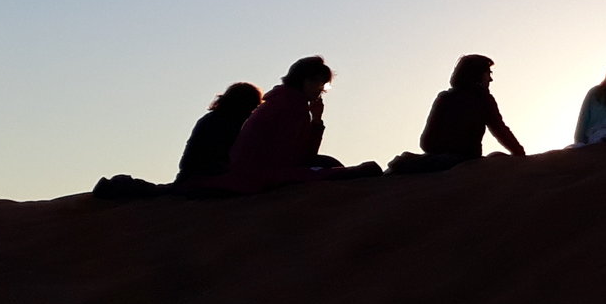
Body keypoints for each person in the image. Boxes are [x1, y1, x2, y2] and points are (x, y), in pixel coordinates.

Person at [199, 57, 381, 192]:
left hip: (255, 172)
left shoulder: (285, 101)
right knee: (357, 171)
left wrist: (316, 120)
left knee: (328, 164)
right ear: (305, 80)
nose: (321, 90)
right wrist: (315, 121)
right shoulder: (290, 106)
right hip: (259, 176)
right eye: (320, 84)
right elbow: (298, 156)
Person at [391, 55, 527, 173]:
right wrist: (520, 154)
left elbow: (426, 143)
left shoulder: (444, 98)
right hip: (463, 162)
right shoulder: (483, 99)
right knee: (497, 159)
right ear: (477, 75)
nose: (490, 79)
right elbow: (500, 129)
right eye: (488, 73)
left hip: (438, 161)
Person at [174, 82, 262, 184]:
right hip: (202, 178)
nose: (253, 111)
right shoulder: (223, 123)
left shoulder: (213, 119)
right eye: (253, 106)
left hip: (192, 176)